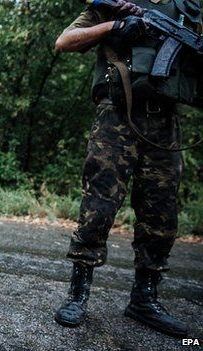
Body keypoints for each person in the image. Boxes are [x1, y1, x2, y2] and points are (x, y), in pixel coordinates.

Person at [53, 0, 202, 338]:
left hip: (164, 121)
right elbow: (64, 41)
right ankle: (78, 293)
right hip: (116, 116)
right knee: (99, 208)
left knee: (161, 214)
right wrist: (114, 27)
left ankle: (145, 298)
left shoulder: (188, 8)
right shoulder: (116, 4)